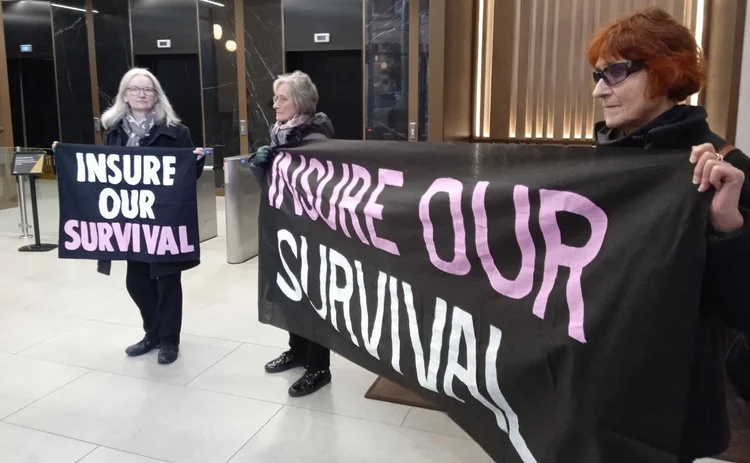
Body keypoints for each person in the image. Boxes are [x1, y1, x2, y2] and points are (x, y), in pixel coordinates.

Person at [587, 7, 750, 462]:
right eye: (598, 75)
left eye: (615, 73)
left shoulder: (726, 171)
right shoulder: (595, 168)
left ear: (667, 71)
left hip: (671, 405)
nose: (599, 90)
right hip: (592, 387)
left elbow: (742, 308)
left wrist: (728, 225)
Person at [56, 68, 205, 365]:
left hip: (162, 221)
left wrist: (196, 161)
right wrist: (65, 156)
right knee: (136, 283)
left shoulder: (177, 131)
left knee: (166, 280)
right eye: (134, 89)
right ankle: (153, 332)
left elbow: (185, 177)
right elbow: (101, 172)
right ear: (124, 95)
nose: (141, 94)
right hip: (130, 221)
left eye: (147, 89)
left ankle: (169, 341)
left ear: (156, 95)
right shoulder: (113, 130)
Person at [251, 70, 335, 397]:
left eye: (282, 98)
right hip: (282, 228)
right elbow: (275, 190)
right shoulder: (282, 135)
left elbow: (317, 194)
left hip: (311, 233)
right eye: (275, 97)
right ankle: (297, 350)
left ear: (300, 102)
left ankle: (319, 367)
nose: (275, 104)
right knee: (289, 293)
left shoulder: (316, 141)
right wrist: (262, 169)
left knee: (311, 300)